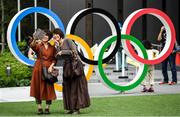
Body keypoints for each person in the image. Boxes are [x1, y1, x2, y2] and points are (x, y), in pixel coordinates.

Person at [53, 28, 90, 114]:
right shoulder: (58, 44)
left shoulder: (68, 40)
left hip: (74, 66)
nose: (55, 36)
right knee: (67, 87)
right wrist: (58, 47)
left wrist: (63, 52)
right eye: (54, 35)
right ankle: (70, 108)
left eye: (56, 34)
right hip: (66, 67)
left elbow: (74, 51)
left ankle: (77, 108)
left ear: (60, 34)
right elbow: (58, 57)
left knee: (75, 87)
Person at [30, 29, 57, 114]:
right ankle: (39, 107)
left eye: (47, 35)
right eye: (43, 35)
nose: (45, 37)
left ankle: (47, 107)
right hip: (38, 68)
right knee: (38, 87)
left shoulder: (52, 46)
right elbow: (32, 46)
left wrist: (51, 66)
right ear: (41, 36)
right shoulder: (38, 45)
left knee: (49, 87)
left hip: (48, 68)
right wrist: (35, 38)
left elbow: (54, 58)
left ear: (49, 37)